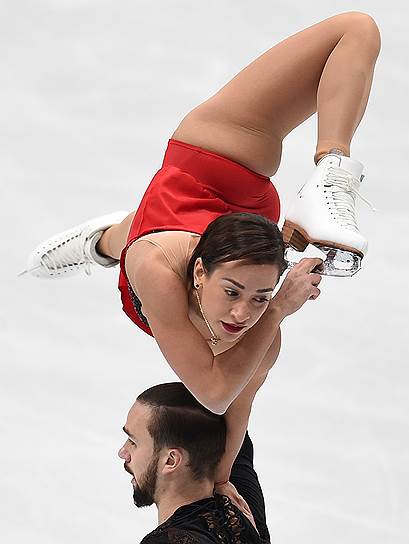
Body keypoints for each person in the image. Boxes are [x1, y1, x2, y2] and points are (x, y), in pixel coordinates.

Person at [23, 10, 381, 511]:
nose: (242, 314)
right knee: (357, 26)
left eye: (260, 297)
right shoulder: (157, 269)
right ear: (198, 273)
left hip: (220, 232)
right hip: (211, 168)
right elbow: (215, 392)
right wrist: (275, 309)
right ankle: (331, 175)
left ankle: (103, 240)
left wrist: (220, 478)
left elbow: (236, 402)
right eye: (233, 293)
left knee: (137, 234)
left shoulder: (258, 328)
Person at [119, 381, 271, 543]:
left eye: (133, 442)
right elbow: (248, 384)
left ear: (171, 460)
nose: (122, 452)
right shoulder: (242, 501)